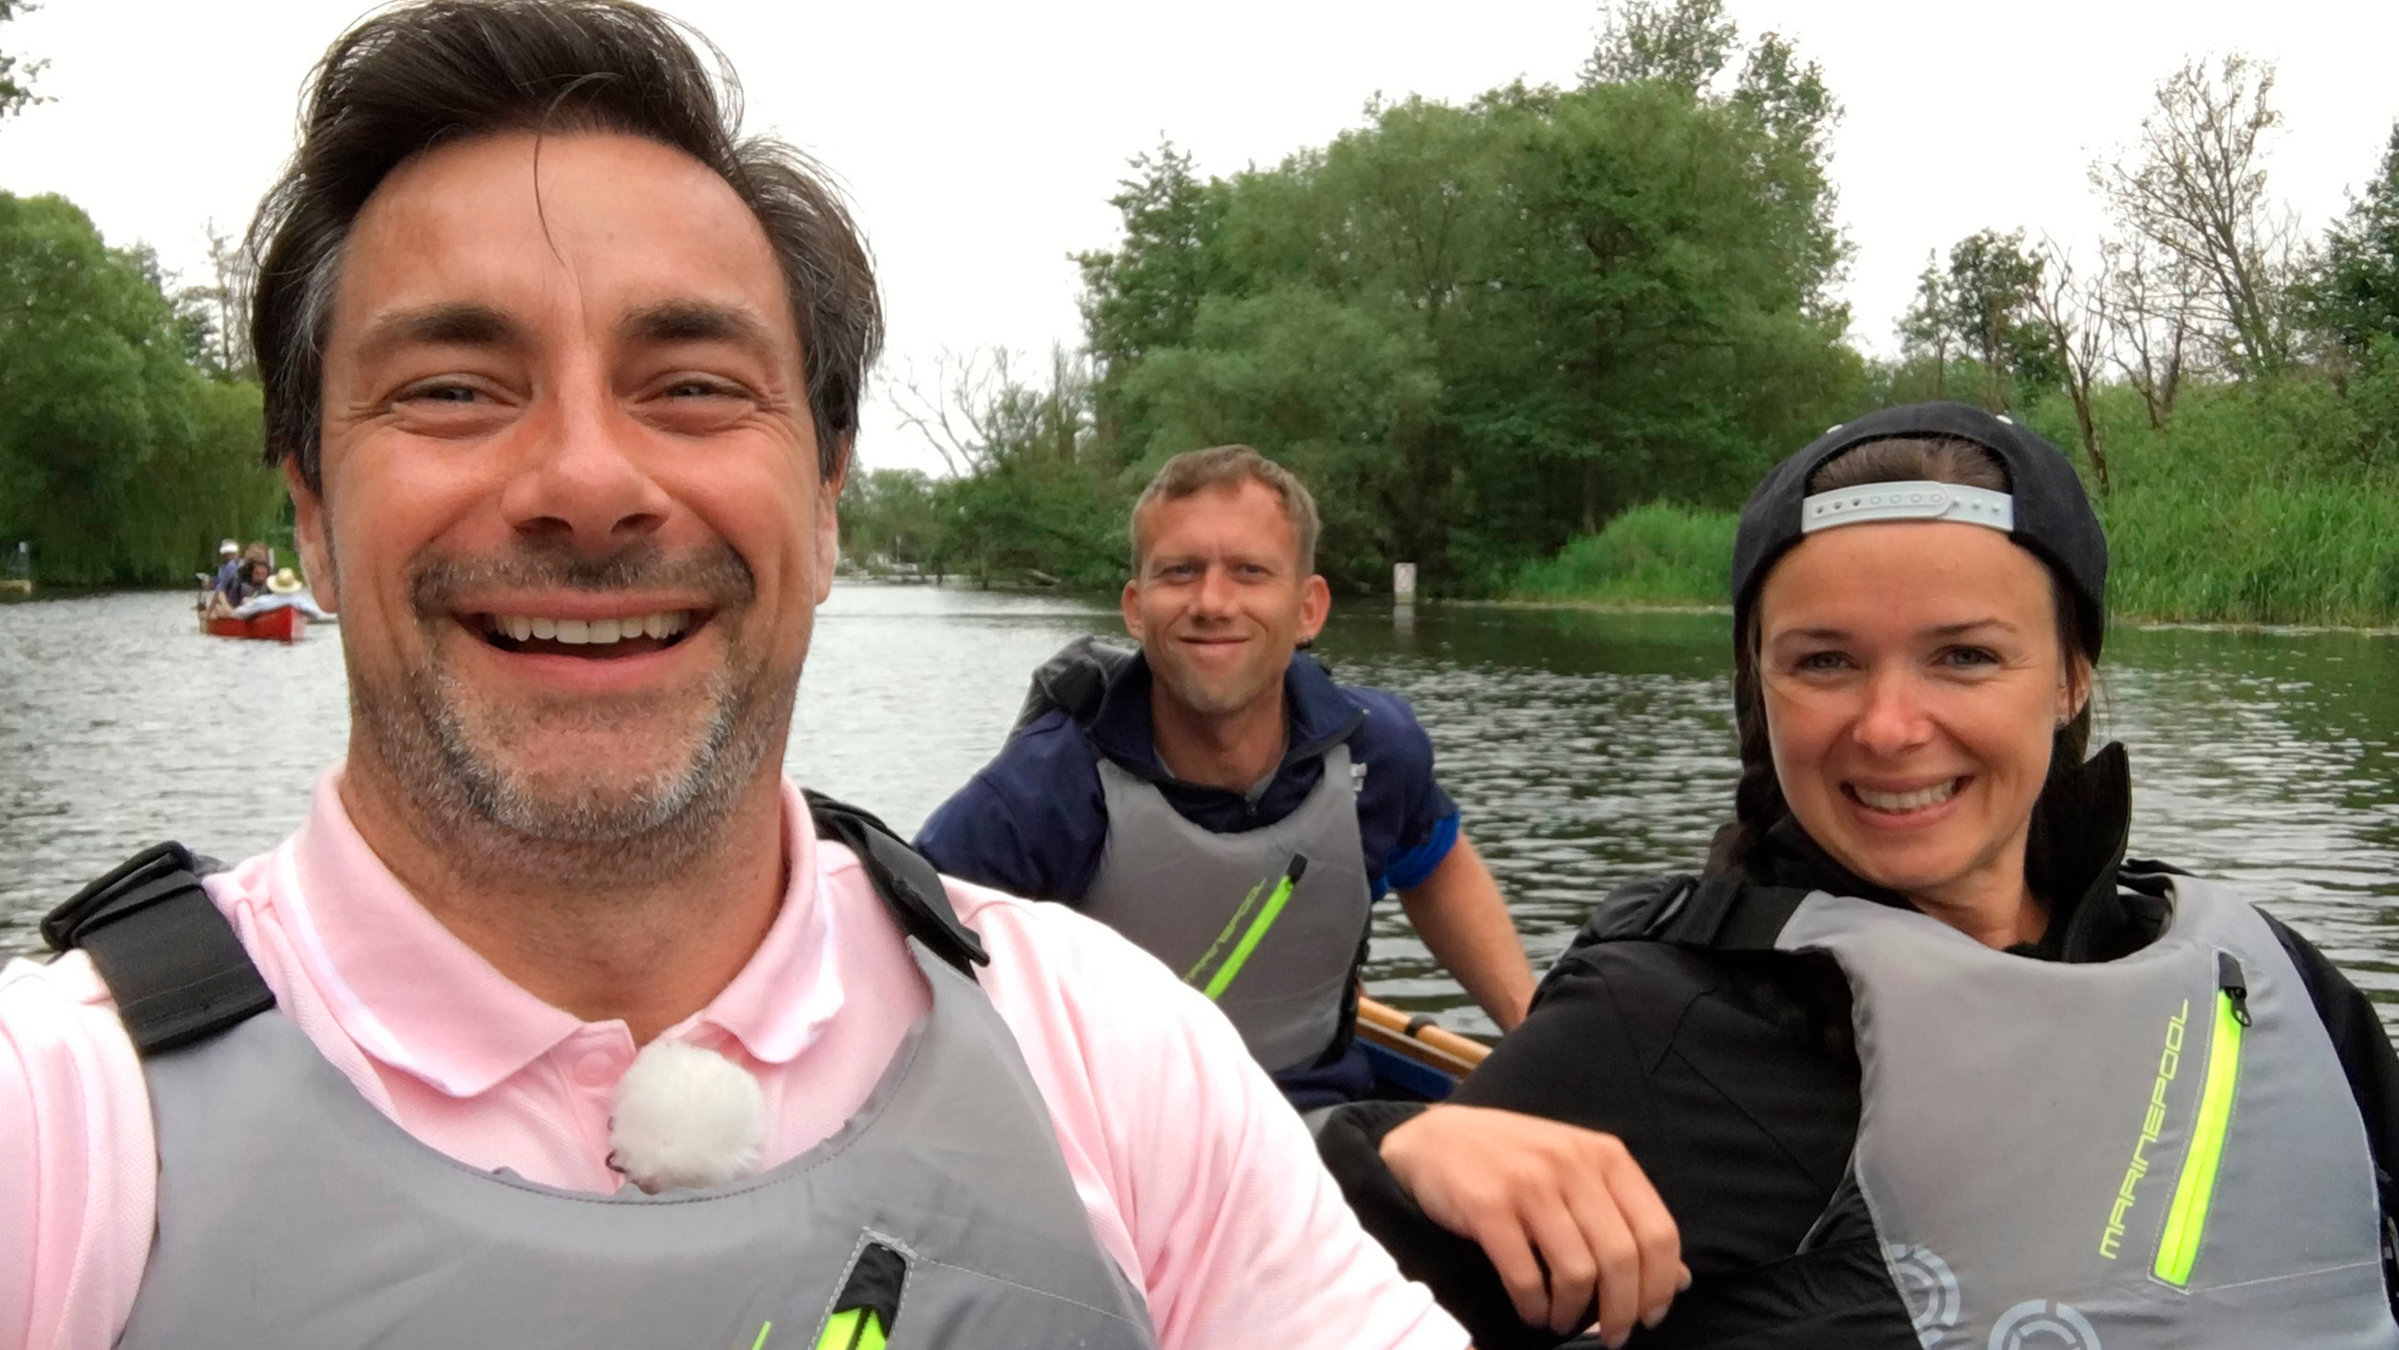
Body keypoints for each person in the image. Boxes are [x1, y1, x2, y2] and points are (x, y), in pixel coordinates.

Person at [0, 5, 1469, 1348]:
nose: (586, 480)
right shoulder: (52, 1131)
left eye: (693, 387)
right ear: (311, 513)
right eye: (452, 388)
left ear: (825, 504)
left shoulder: (1118, 1056)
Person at [1317, 402, 2399, 1349]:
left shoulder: (2258, 981)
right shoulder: (1646, 1034)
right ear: (1757, 686)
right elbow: (1257, 1302)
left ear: (2071, 676)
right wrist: (1387, 1156)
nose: (1887, 728)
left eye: (1964, 655)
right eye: (1823, 661)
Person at [916, 445, 1539, 1108]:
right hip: (1123, 1155)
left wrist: (1533, 1037)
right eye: (1180, 572)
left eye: (1249, 572)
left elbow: (1435, 865)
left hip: (1320, 1123)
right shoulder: (1040, 792)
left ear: (1308, 608)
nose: (1212, 602)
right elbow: (902, 962)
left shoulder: (1376, 752)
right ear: (1135, 607)